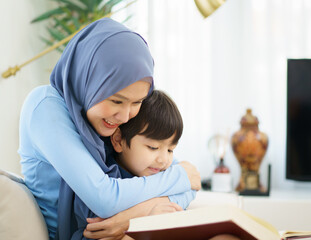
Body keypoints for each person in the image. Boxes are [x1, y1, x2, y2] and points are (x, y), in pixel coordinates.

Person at [18, 18, 200, 240]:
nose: (125, 116)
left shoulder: (107, 118)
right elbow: (104, 198)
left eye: (137, 103)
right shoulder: (44, 106)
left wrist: (136, 214)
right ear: (90, 80)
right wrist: (180, 178)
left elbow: (190, 184)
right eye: (116, 101)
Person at [80, 89, 195, 239]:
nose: (163, 160)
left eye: (170, 149)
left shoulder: (161, 169)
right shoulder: (105, 179)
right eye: (153, 147)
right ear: (118, 140)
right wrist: (146, 221)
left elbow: (192, 183)